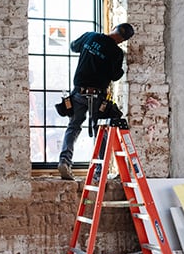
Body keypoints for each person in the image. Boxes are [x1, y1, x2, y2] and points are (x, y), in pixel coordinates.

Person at [58, 23, 135, 181]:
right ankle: (100, 172)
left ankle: (64, 162)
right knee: (101, 131)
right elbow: (115, 75)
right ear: (122, 40)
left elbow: (74, 46)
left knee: (73, 127)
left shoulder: (90, 36)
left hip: (79, 92)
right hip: (98, 96)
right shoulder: (116, 53)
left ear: (114, 28)